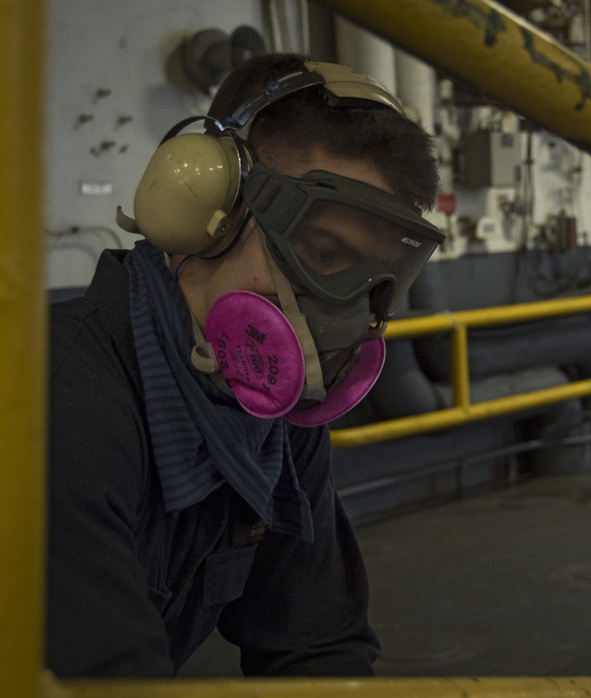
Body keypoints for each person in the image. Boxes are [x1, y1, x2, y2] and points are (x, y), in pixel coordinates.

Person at [45, 53, 442, 677]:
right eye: (320, 251)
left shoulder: (274, 416)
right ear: (204, 211)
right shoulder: (55, 408)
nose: (340, 310)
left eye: (371, 276)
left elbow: (316, 647)